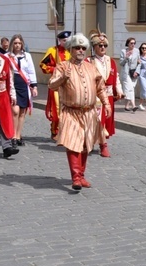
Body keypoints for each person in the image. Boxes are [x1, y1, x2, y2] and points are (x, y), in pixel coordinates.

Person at [48, 33, 110, 190]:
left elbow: (100, 87)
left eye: (83, 48)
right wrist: (62, 78)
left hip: (89, 112)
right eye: (77, 48)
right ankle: (75, 177)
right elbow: (52, 85)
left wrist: (106, 103)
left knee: (85, 144)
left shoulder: (91, 67)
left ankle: (81, 176)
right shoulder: (63, 66)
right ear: (71, 49)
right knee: (73, 143)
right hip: (71, 111)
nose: (80, 50)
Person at [87, 31, 122, 157]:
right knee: (96, 120)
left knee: (106, 120)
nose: (102, 48)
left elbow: (116, 77)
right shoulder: (89, 61)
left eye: (105, 46)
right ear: (94, 47)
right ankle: (97, 144)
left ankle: (103, 143)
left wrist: (119, 90)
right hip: (95, 96)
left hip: (109, 96)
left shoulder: (110, 61)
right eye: (99, 45)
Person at [40, 31, 72, 137]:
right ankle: (55, 131)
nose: (66, 42)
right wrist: (55, 69)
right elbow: (43, 65)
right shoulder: (52, 51)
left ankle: (67, 132)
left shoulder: (72, 51)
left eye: (67, 40)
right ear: (59, 40)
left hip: (69, 85)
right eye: (64, 41)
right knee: (57, 108)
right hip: (56, 85)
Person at [9, 34, 38, 146]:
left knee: (22, 112)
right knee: (15, 111)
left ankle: (18, 135)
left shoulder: (27, 56)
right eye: (15, 43)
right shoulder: (8, 56)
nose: (17, 45)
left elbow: (31, 71)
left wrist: (34, 86)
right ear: (12, 44)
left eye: (19, 43)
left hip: (24, 85)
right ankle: (13, 136)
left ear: (22, 44)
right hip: (13, 84)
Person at [119, 37, 139, 112]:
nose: (133, 45)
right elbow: (121, 63)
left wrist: (137, 71)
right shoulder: (123, 51)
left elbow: (139, 62)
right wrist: (126, 58)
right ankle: (133, 106)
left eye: (134, 43)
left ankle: (126, 106)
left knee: (129, 89)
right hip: (126, 73)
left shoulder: (136, 51)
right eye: (131, 43)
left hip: (133, 73)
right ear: (128, 44)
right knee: (130, 89)